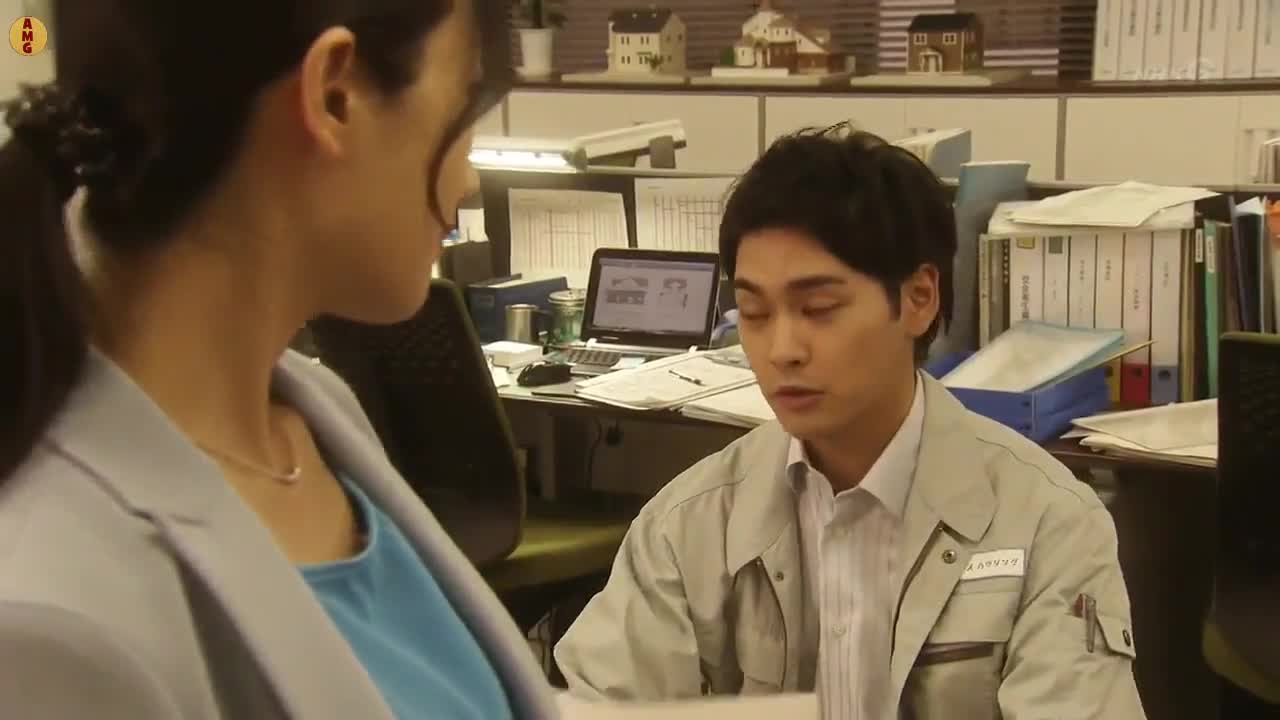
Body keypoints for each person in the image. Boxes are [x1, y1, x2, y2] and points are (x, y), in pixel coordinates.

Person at [0, 2, 558, 719]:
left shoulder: (314, 418)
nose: (471, 175)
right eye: (465, 100)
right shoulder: (51, 620)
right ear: (335, 95)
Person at [555, 126, 1148, 719]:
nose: (782, 350)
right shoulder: (689, 523)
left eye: (818, 309)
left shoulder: (1048, 523)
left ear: (918, 298)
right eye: (755, 313)